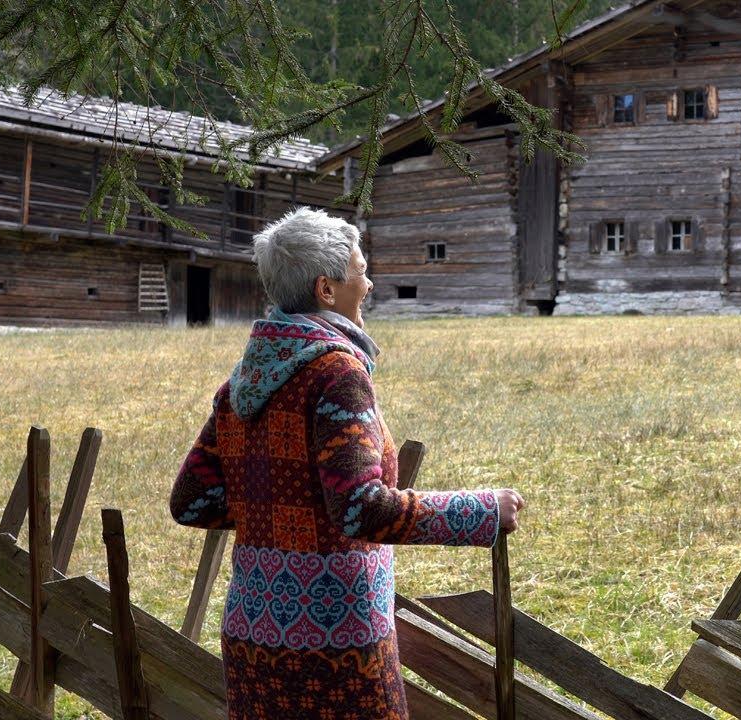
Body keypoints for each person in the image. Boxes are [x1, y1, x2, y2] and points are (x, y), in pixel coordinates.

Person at [169, 206, 525, 720]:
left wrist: (282, 513)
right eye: (361, 270)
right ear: (326, 290)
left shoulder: (242, 383)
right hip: (335, 637)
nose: (372, 283)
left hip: (252, 633)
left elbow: (192, 501)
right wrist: (483, 511)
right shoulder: (337, 374)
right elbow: (361, 510)